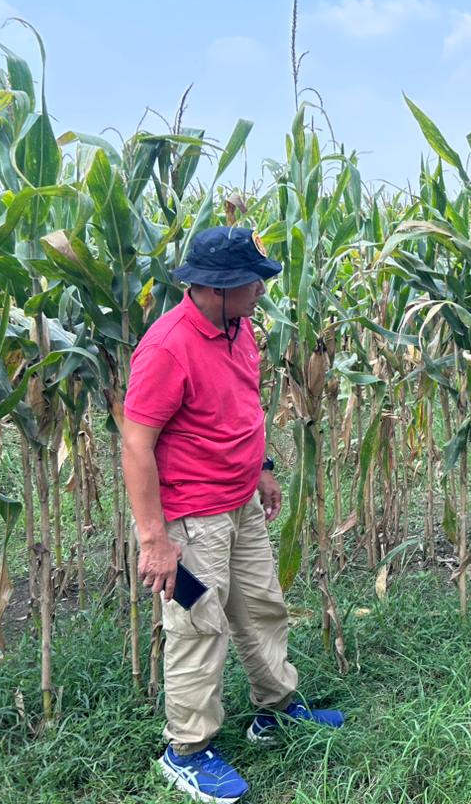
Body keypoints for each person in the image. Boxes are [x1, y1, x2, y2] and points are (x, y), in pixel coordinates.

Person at [122, 226, 344, 804]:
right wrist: (154, 540)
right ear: (217, 287)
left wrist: (262, 467)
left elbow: (241, 404)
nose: (261, 290)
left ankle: (276, 709)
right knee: (199, 626)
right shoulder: (167, 347)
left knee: (263, 607)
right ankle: (187, 750)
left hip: (241, 503)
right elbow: (136, 445)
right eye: (252, 281)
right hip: (193, 519)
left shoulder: (238, 327)